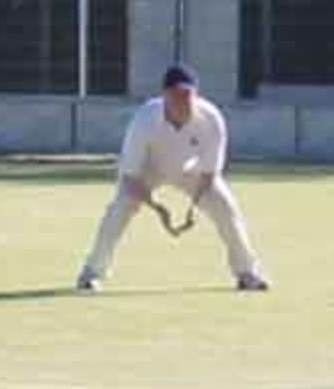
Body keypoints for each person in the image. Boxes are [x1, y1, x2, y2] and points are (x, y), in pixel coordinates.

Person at [75, 64, 269, 293]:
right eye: (177, 95)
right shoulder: (144, 120)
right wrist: (159, 209)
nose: (184, 102)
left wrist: (191, 209)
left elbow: (209, 174)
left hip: (190, 171)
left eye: (189, 95)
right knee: (120, 208)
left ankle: (247, 273)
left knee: (226, 207)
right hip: (148, 170)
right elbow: (129, 177)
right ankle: (91, 274)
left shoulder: (212, 119)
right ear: (165, 96)